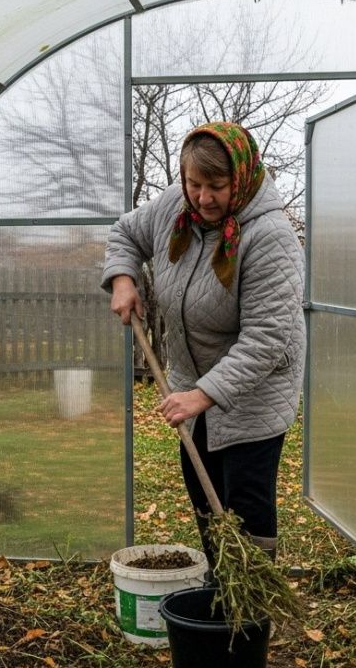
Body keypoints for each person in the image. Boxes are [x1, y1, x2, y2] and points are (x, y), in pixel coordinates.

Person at [101, 121, 305, 566]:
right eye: (194, 184)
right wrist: (122, 278)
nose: (203, 198)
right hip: (191, 383)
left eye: (217, 186)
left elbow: (265, 339)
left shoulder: (270, 237)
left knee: (244, 508)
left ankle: (251, 611)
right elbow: (125, 233)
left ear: (242, 178)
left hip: (254, 395)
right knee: (204, 497)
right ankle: (219, 591)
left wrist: (203, 395)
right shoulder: (177, 206)